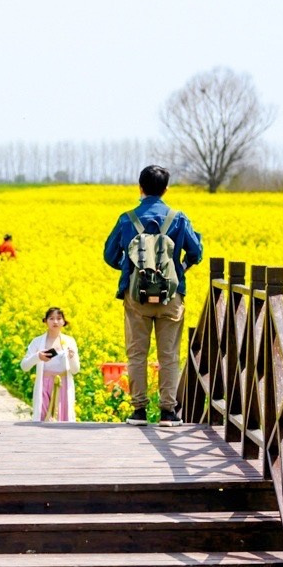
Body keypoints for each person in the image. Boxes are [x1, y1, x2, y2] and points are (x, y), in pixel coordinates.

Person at [104, 164, 205, 424]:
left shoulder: (127, 219)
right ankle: (168, 412)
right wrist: (179, 268)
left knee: (137, 354)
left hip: (136, 297)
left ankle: (138, 410)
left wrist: (130, 269)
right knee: (168, 355)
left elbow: (109, 255)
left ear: (140, 187)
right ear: (166, 189)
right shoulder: (179, 218)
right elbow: (197, 253)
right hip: (171, 297)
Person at [19, 306, 80, 421]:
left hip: (63, 384)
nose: (55, 321)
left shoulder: (70, 341)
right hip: (44, 384)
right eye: (51, 318)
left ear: (64, 322)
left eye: (59, 318)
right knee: (43, 418)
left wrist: (72, 358)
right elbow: (24, 366)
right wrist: (38, 357)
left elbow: (75, 370)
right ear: (45, 321)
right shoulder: (37, 341)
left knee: (63, 417)